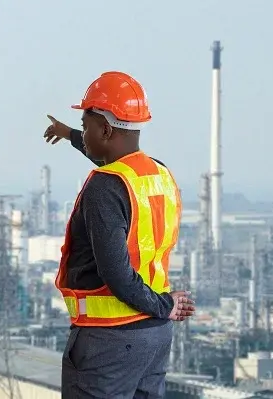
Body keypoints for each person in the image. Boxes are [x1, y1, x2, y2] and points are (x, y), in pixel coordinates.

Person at [45, 71, 196, 398]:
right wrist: (69, 133)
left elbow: (116, 273)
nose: (84, 135)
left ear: (106, 129)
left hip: (109, 341)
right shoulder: (157, 173)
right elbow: (110, 161)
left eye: (86, 127)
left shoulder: (104, 186)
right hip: (153, 338)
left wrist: (164, 305)